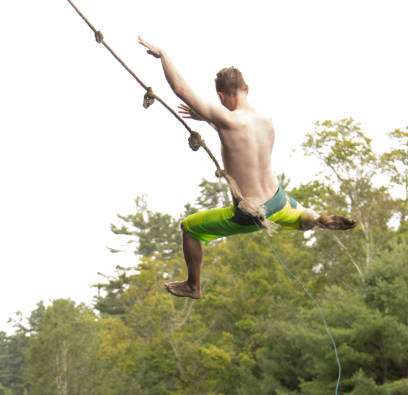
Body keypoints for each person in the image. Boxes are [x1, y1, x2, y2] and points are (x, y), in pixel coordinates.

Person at [138, 37, 356, 299]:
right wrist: (211, 121)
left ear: (221, 96)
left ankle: (193, 285)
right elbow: (240, 143)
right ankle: (315, 218)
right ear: (246, 88)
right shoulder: (265, 121)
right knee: (298, 218)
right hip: (279, 200)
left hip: (252, 212)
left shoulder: (227, 120)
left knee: (189, 228)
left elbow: (181, 90)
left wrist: (163, 55)